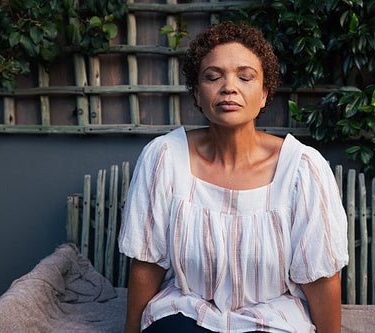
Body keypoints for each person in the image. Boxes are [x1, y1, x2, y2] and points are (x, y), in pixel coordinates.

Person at [118, 21, 348, 333]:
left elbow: (319, 277)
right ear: (198, 94)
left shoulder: (302, 169)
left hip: (272, 318)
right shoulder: (164, 157)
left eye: (245, 76)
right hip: (185, 311)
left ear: (265, 94)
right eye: (213, 77)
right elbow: (148, 261)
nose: (229, 86)